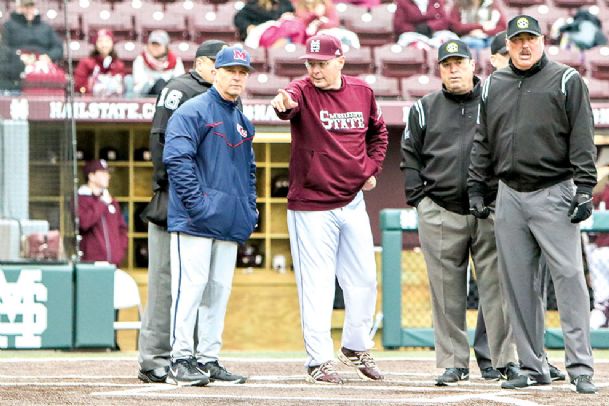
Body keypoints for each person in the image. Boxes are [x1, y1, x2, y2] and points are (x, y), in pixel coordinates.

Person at [468, 15, 597, 394]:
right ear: (507, 45)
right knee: (519, 285)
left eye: (531, 39)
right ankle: (531, 364)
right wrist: (477, 187)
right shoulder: (493, 84)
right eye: (517, 40)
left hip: (555, 190)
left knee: (570, 279)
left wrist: (585, 187)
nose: (524, 46)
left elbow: (583, 137)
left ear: (543, 41)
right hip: (510, 193)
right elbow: (483, 141)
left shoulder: (567, 80)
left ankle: (580, 367)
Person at [400, 39, 518, 386]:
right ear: (440, 69)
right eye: (446, 64)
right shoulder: (424, 106)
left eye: (459, 63)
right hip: (440, 209)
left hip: (490, 209)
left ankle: (505, 361)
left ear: (473, 65)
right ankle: (454, 362)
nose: (453, 69)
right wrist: (420, 201)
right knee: (445, 292)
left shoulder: (494, 100)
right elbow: (410, 157)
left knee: (498, 289)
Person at [271, 34, 388, 384]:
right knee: (318, 285)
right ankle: (318, 359)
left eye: (322, 63)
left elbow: (378, 134)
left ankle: (354, 346)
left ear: (340, 60)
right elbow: (286, 103)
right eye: (311, 63)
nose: (316, 69)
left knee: (365, 280)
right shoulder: (302, 90)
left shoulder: (362, 91)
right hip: (311, 204)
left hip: (352, 200)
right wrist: (282, 102)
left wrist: (370, 170)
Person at [136, 39, 230, 384]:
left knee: (201, 286)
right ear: (204, 64)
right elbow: (161, 142)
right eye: (222, 66)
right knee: (165, 282)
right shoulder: (178, 89)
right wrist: (177, 190)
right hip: (173, 201)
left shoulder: (224, 98)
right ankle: (154, 357)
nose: (229, 74)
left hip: (207, 205)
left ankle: (191, 357)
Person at [163, 46, 257, 386]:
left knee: (219, 290)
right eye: (230, 70)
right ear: (214, 72)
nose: (237, 76)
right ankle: (179, 359)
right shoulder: (193, 110)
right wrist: (198, 205)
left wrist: (249, 210)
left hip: (228, 221)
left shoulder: (242, 119)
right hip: (194, 221)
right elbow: (176, 159)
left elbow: (249, 171)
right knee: (190, 289)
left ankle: (208, 358)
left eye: (243, 72)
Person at [77, 159, 128, 267]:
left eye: (107, 173)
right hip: (91, 263)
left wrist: (119, 252)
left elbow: (122, 229)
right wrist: (101, 203)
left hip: (114, 263)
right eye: (103, 173)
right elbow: (84, 223)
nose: (108, 176)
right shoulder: (80, 199)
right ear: (91, 176)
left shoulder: (112, 201)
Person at [2, 0, 63, 70]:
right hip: (16, 64)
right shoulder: (8, 26)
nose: (29, 10)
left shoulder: (46, 27)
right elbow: (3, 48)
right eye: (25, 7)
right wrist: (18, 56)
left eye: (31, 6)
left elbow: (58, 47)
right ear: (19, 8)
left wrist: (49, 56)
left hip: (42, 64)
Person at [131, 30, 185, 96]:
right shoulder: (141, 59)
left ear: (166, 47)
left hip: (169, 94)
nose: (155, 48)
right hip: (146, 94)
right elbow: (139, 84)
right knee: (160, 83)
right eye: (153, 45)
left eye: (158, 45)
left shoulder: (175, 60)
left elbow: (180, 83)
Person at [74, 29, 126, 96]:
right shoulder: (86, 63)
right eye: (100, 41)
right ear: (96, 43)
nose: (104, 45)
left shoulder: (118, 65)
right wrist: (91, 87)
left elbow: (121, 86)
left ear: (112, 43)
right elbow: (79, 85)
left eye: (107, 41)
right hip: (91, 100)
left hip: (113, 101)